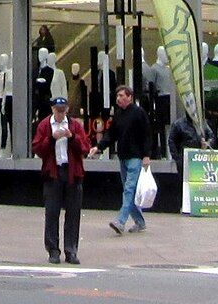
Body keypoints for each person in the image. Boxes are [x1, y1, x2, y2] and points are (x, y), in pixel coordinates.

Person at [33, 94, 91, 265]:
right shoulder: (45, 125)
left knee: (73, 213)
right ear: (52, 110)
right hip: (53, 173)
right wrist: (52, 138)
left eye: (63, 111)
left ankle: (71, 250)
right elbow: (38, 149)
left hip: (73, 173)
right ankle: (53, 250)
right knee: (52, 212)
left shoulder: (74, 125)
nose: (60, 114)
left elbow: (85, 147)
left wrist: (71, 137)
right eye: (57, 111)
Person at [98, 84, 150, 235]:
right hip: (123, 157)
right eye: (117, 96)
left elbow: (146, 134)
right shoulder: (119, 115)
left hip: (135, 157)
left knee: (128, 189)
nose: (118, 99)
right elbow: (111, 134)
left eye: (121, 96)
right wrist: (99, 147)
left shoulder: (139, 113)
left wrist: (146, 155)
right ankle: (140, 222)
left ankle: (120, 221)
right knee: (129, 191)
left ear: (130, 97)